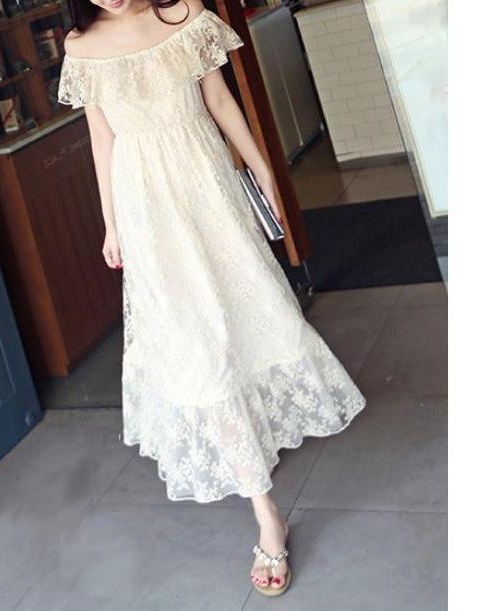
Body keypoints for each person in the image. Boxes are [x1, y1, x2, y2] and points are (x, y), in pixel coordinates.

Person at [58, 0, 366, 596]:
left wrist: (264, 171)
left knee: (253, 315)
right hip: (146, 206)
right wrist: (112, 224)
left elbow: (220, 102)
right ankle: (266, 512)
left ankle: (256, 436)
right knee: (193, 346)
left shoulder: (187, 16)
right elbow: (102, 139)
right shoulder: (81, 46)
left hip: (207, 187)